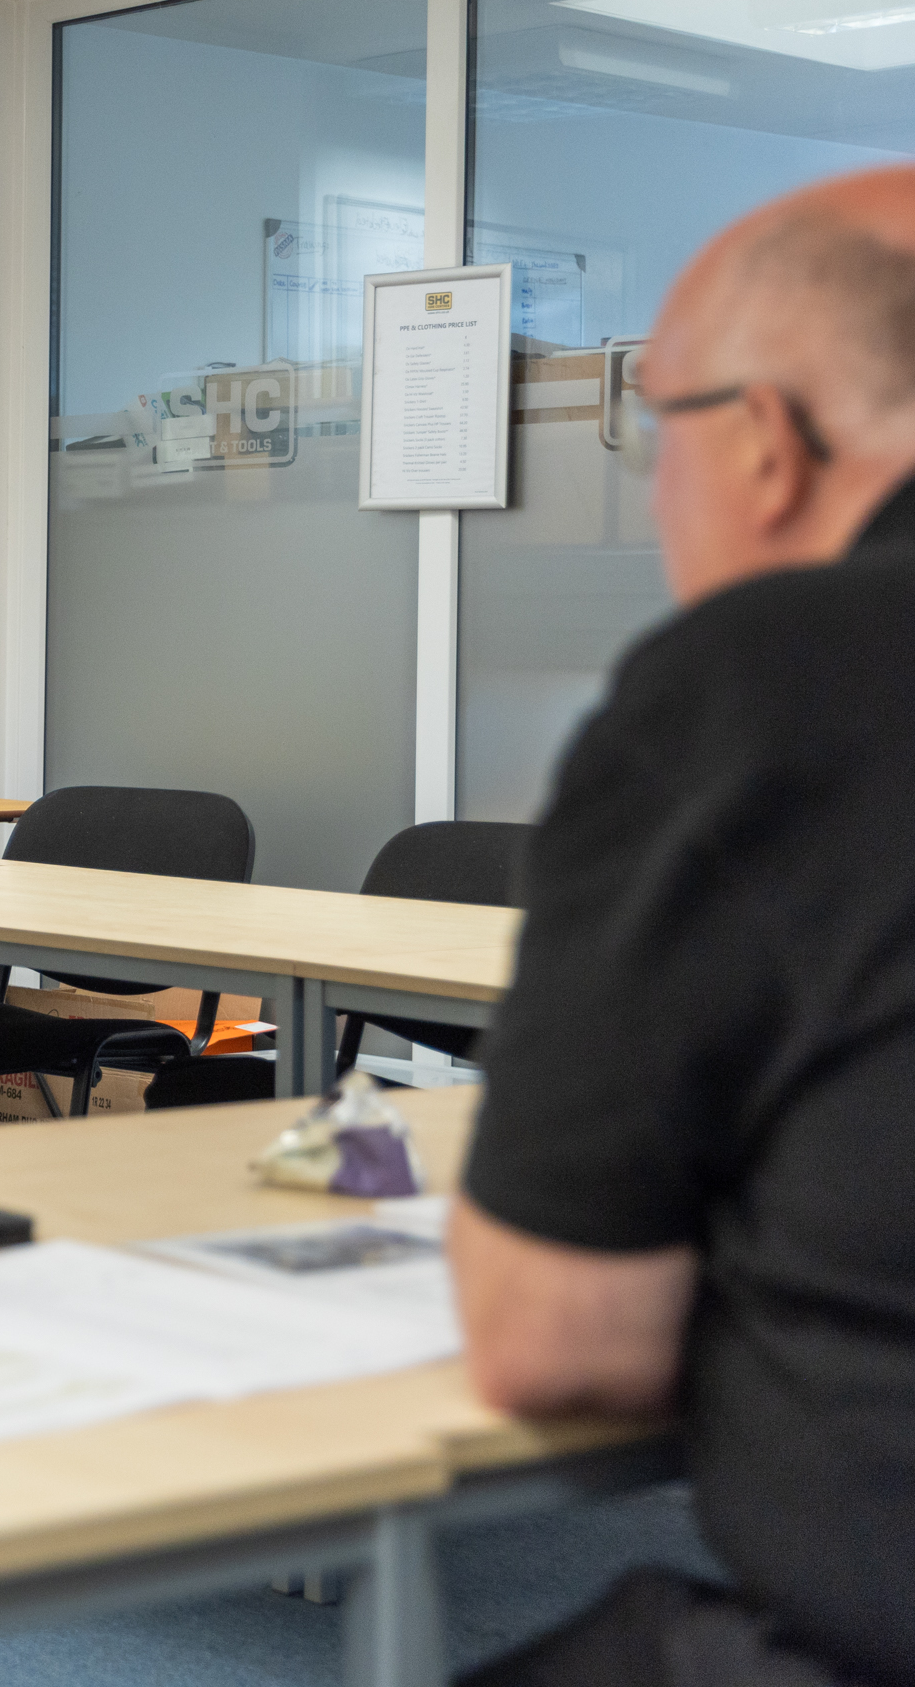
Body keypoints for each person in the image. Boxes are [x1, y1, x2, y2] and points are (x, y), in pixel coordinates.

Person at [450, 165, 915, 1687]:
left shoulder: (768, 678)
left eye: (664, 435)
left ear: (769, 441)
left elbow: (557, 1340)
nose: (657, 498)